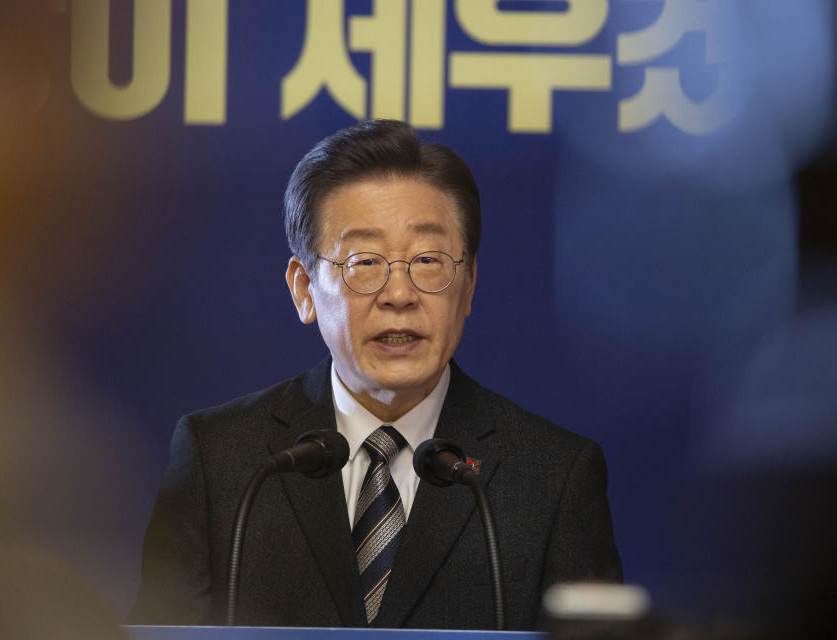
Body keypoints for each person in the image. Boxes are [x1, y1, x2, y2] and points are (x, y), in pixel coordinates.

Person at [128, 120, 621, 630]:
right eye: (364, 261)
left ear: (469, 284)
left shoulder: (553, 476)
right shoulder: (222, 462)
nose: (399, 294)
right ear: (303, 289)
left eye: (427, 260)